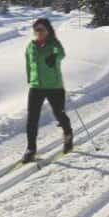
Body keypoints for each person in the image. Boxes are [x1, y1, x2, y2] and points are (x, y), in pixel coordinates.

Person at [23, 18, 73, 163]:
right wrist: (30, 79)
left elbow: (61, 54)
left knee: (59, 114)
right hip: (36, 86)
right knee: (32, 118)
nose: (39, 32)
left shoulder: (54, 44)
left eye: (41, 29)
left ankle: (68, 134)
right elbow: (28, 62)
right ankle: (31, 148)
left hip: (54, 86)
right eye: (36, 29)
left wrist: (54, 56)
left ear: (48, 30)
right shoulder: (30, 46)